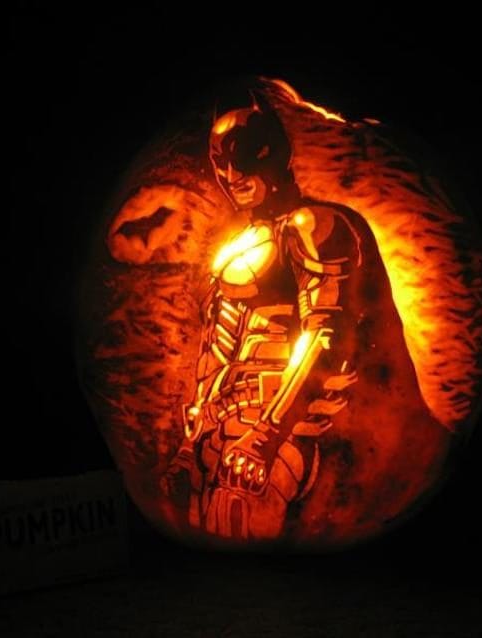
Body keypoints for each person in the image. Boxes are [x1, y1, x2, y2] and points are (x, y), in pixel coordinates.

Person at [161, 93, 431, 541]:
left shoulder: (314, 226)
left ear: (276, 151)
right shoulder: (236, 245)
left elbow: (327, 337)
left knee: (243, 525)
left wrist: (268, 432)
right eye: (220, 162)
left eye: (245, 155)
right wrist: (192, 443)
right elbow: (215, 347)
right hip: (218, 428)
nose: (232, 175)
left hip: (282, 426)